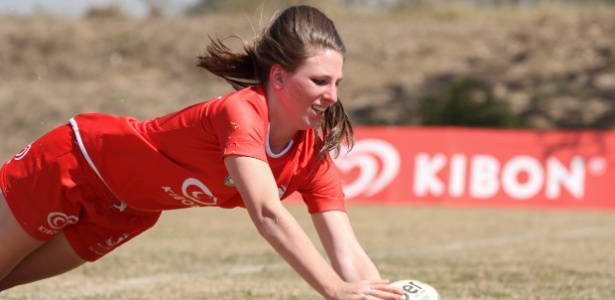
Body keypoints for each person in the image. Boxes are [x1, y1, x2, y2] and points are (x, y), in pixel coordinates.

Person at [0, 5, 404, 300]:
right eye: (319, 80)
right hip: (74, 164)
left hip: (127, 212)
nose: (332, 96)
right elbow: (267, 214)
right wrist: (334, 290)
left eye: (337, 82)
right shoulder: (241, 112)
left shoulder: (312, 156)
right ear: (278, 76)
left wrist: (380, 294)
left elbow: (348, 252)